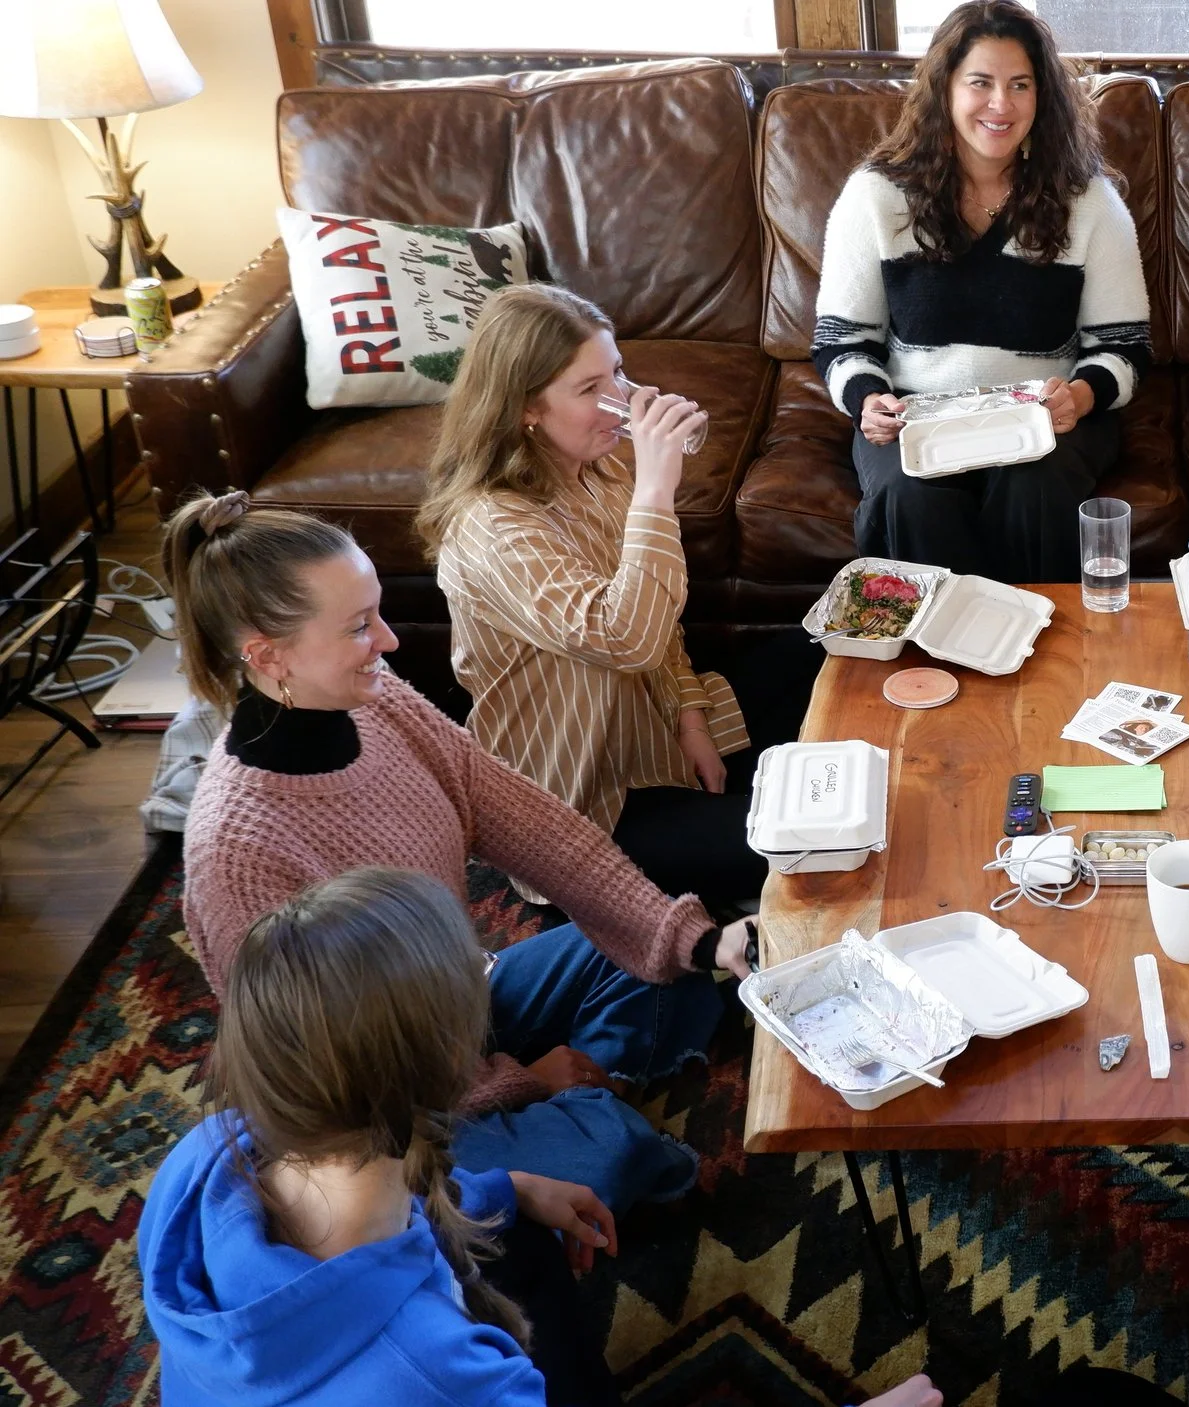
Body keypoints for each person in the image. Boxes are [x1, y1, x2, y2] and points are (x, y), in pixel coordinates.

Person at [165, 491, 756, 1213]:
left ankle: (582, 1100)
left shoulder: (380, 700)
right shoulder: (238, 852)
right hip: (386, 1117)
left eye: (378, 611)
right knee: (617, 1162)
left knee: (662, 947)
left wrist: (698, 941)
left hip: (461, 1004)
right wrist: (520, 1079)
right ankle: (558, 1136)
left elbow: (539, 828)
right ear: (267, 653)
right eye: (359, 626)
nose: (388, 640)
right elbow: (341, 1082)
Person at [140, 868, 622, 1407]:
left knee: (522, 1235)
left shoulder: (204, 1153)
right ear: (450, 1066)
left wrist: (510, 1188)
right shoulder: (445, 1376)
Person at [419, 284, 817, 908]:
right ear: (525, 407)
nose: (621, 399)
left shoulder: (597, 469)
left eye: (618, 372)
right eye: (588, 389)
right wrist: (657, 487)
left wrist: (690, 720)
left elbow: (660, 622)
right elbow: (624, 637)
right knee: (807, 848)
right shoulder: (493, 527)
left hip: (652, 728)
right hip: (586, 798)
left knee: (823, 653)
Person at [814, 0, 1150, 581]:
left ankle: (1044, 657)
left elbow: (1124, 345)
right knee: (909, 494)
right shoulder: (875, 195)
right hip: (916, 417)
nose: (1002, 104)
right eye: (981, 83)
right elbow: (841, 340)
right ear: (944, 89)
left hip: (1043, 420)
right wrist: (869, 401)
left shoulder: (1089, 201)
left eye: (1020, 85)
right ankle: (934, 662)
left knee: (1036, 484)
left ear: (1042, 97)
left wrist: (1082, 397)